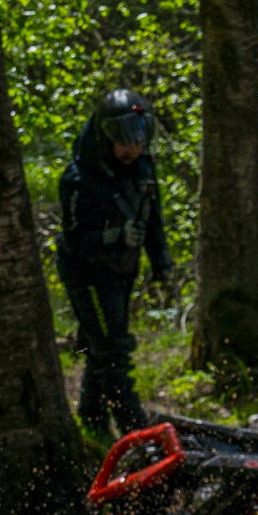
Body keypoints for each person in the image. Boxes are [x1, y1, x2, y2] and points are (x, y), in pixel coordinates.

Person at [55, 88, 173, 434]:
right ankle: (134, 430)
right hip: (88, 273)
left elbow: (153, 220)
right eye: (123, 142)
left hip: (122, 270)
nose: (131, 150)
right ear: (106, 137)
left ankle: (92, 421)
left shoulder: (143, 168)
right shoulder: (79, 179)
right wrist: (115, 236)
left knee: (99, 345)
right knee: (112, 351)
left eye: (137, 142)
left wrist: (161, 263)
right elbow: (75, 237)